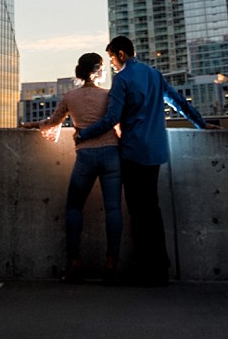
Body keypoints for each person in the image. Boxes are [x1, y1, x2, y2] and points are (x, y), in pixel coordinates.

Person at [73, 35, 210, 286]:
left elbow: (110, 118)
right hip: (155, 152)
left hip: (133, 152)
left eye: (112, 58)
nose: (112, 64)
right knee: (152, 210)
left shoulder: (123, 80)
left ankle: (146, 270)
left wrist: (84, 133)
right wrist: (200, 123)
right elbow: (178, 101)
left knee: (138, 212)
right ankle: (160, 268)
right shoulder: (154, 74)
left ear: (122, 54)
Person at [21, 51, 122, 283]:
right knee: (113, 209)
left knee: (74, 207)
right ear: (97, 71)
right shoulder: (109, 95)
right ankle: (111, 262)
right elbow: (118, 123)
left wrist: (31, 125)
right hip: (110, 154)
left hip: (85, 155)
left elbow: (52, 122)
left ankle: (74, 260)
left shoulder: (71, 96)